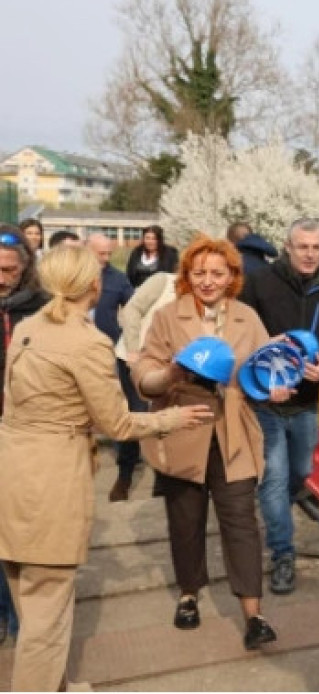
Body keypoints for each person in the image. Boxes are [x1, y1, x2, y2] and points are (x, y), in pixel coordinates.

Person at [0, 245, 210, 691]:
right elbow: (117, 423)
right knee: (46, 613)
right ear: (94, 285)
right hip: (51, 478)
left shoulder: (28, 328)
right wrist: (172, 418)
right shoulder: (87, 343)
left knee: (29, 598)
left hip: (11, 468)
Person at [133, 235, 281, 650]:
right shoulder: (167, 316)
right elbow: (144, 373)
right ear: (187, 275)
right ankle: (188, 594)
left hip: (234, 433)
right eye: (199, 273)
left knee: (242, 522)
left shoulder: (247, 317)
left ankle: (254, 615)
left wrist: (273, 387)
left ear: (233, 276)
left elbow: (263, 369)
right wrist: (170, 375)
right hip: (183, 428)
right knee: (186, 520)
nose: (208, 281)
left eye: (218, 273)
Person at [239, 218, 319, 595]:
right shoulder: (260, 282)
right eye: (302, 247)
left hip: (307, 401)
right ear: (288, 248)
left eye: (316, 247)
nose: (309, 254)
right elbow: (237, 333)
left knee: (302, 471)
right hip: (265, 400)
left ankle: (275, 507)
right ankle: (283, 554)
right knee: (274, 478)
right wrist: (262, 350)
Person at [0, 225, 46, 649]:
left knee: (21, 529)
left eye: (9, 270)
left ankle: (21, 617)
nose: (1, 278)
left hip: (29, 434)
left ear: (25, 268)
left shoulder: (43, 308)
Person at [87, 233, 142, 503]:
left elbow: (134, 310)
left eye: (109, 253)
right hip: (76, 352)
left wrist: (133, 345)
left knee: (121, 405)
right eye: (101, 253)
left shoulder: (118, 279)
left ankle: (125, 467)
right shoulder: (70, 275)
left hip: (109, 351)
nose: (106, 258)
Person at [126, 224, 179, 289]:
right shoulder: (136, 252)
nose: (150, 242)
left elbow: (173, 276)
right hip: (138, 291)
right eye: (147, 238)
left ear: (159, 240)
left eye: (154, 239)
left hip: (160, 291)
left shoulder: (170, 254)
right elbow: (129, 275)